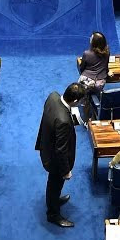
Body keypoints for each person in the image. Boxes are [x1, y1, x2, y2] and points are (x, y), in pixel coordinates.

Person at [36, 82, 86, 228]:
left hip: (46, 145)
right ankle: (53, 214)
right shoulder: (63, 121)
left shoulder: (53, 96)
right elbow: (61, 150)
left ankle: (54, 200)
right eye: (81, 101)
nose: (82, 104)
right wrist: (66, 171)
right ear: (75, 101)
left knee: (53, 186)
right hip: (55, 161)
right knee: (54, 185)